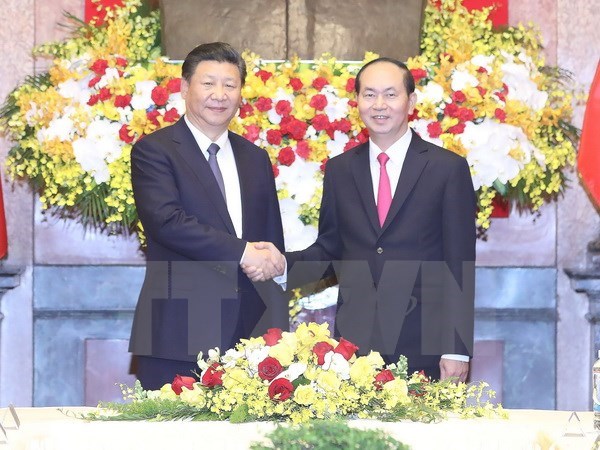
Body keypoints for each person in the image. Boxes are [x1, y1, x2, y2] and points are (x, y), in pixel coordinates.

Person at [247, 57, 476, 381]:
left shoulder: (446, 169)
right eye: (369, 95)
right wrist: (283, 265)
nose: (379, 104)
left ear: (410, 101)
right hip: (355, 348)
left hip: (425, 344)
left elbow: (459, 265)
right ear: (357, 102)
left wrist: (456, 348)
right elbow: (331, 250)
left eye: (390, 94)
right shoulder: (341, 170)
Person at [129, 42, 287, 389]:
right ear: (185, 88)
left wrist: (276, 264)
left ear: (241, 94)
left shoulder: (255, 157)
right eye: (208, 83)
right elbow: (168, 223)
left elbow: (270, 238)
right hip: (177, 331)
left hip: (251, 338)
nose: (220, 94)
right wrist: (244, 251)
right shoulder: (154, 151)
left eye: (230, 85)